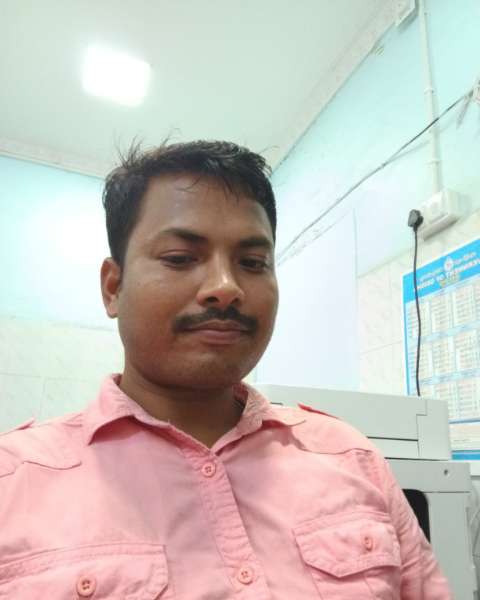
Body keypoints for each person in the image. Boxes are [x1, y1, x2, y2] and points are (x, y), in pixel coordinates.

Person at [0, 140, 452, 598]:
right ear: (113, 287)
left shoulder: (352, 458)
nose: (225, 287)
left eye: (253, 263)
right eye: (180, 258)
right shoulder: (13, 481)